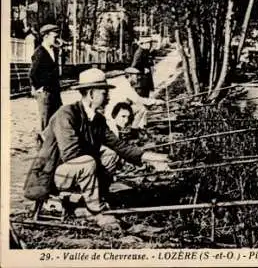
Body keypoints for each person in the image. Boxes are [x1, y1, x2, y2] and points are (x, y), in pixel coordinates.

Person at [24, 68, 171, 224]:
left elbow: (120, 146)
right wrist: (96, 161)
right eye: (104, 93)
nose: (108, 97)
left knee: (111, 155)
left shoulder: (98, 120)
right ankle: (95, 210)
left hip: (76, 170)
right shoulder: (66, 114)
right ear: (91, 93)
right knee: (88, 161)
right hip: (54, 174)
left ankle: (96, 197)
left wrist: (153, 158)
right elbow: (70, 153)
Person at [29, 24, 63, 131]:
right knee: (46, 122)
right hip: (46, 93)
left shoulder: (54, 51)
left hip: (55, 91)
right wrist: (38, 87)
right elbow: (33, 73)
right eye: (55, 37)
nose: (57, 39)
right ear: (46, 36)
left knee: (58, 118)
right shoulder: (39, 52)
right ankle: (42, 146)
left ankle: (53, 145)